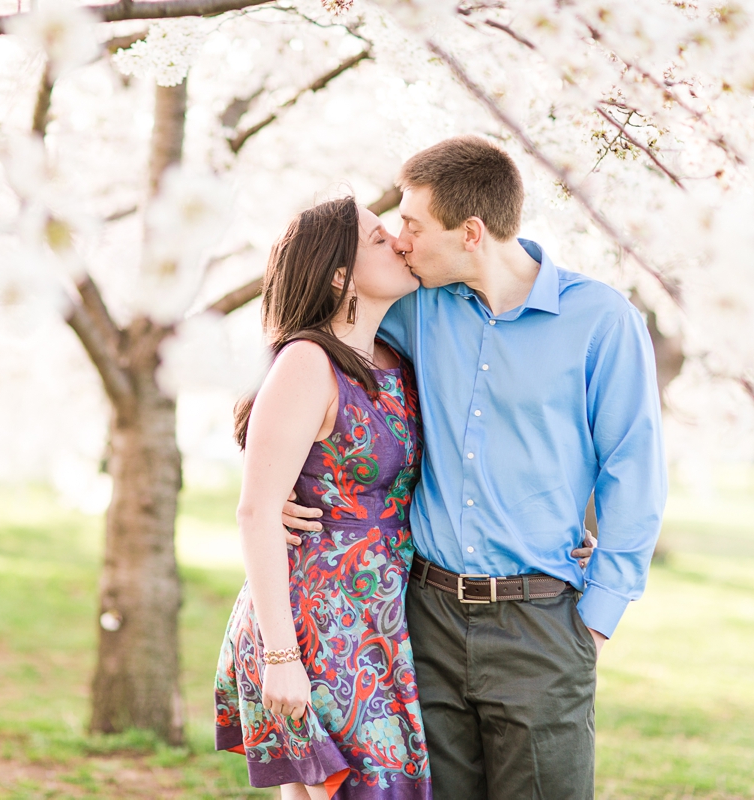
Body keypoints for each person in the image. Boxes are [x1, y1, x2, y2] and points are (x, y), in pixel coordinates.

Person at [281, 136, 667, 799]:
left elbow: (634, 475)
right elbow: (313, 356)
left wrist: (593, 624)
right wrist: (283, 477)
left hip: (541, 621)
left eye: (411, 226)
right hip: (424, 618)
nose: (399, 242)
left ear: (470, 233)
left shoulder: (601, 321)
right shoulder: (414, 308)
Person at [214, 196, 432, 799]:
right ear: (340, 274)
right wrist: (281, 657)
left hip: (380, 617)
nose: (399, 242)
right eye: (379, 239)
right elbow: (257, 510)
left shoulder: (393, 359)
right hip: (318, 620)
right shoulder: (308, 362)